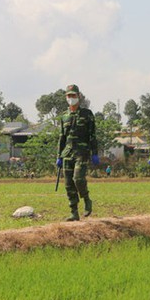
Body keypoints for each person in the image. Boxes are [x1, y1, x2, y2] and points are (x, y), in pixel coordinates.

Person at [56, 84, 98, 221]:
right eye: (69, 96)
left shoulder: (87, 114)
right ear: (65, 97)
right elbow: (62, 138)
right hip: (67, 153)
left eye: (73, 95)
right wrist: (59, 156)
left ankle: (86, 199)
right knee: (68, 184)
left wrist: (95, 153)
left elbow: (92, 135)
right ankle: (74, 212)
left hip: (82, 152)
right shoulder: (64, 117)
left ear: (78, 96)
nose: (71, 98)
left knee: (78, 179)